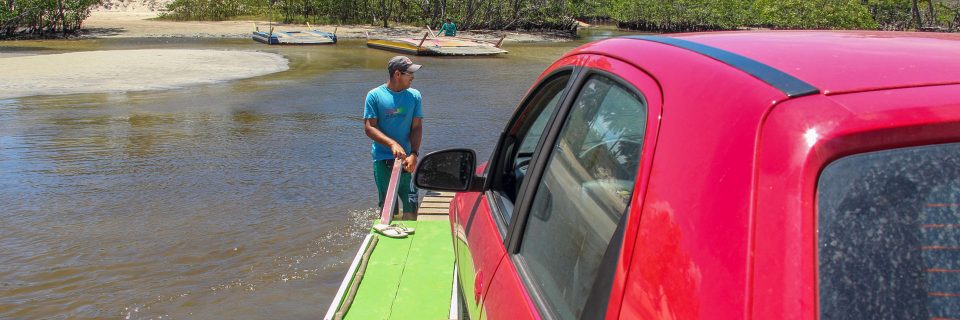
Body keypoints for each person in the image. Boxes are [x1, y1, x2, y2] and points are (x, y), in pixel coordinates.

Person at [364, 56, 423, 221]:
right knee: (389, 209)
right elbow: (369, 128)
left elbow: (416, 127)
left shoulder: (414, 96)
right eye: (409, 73)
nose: (413, 77)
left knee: (411, 206)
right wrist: (391, 143)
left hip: (406, 160)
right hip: (383, 160)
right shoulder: (374, 96)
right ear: (397, 74)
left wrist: (414, 154)